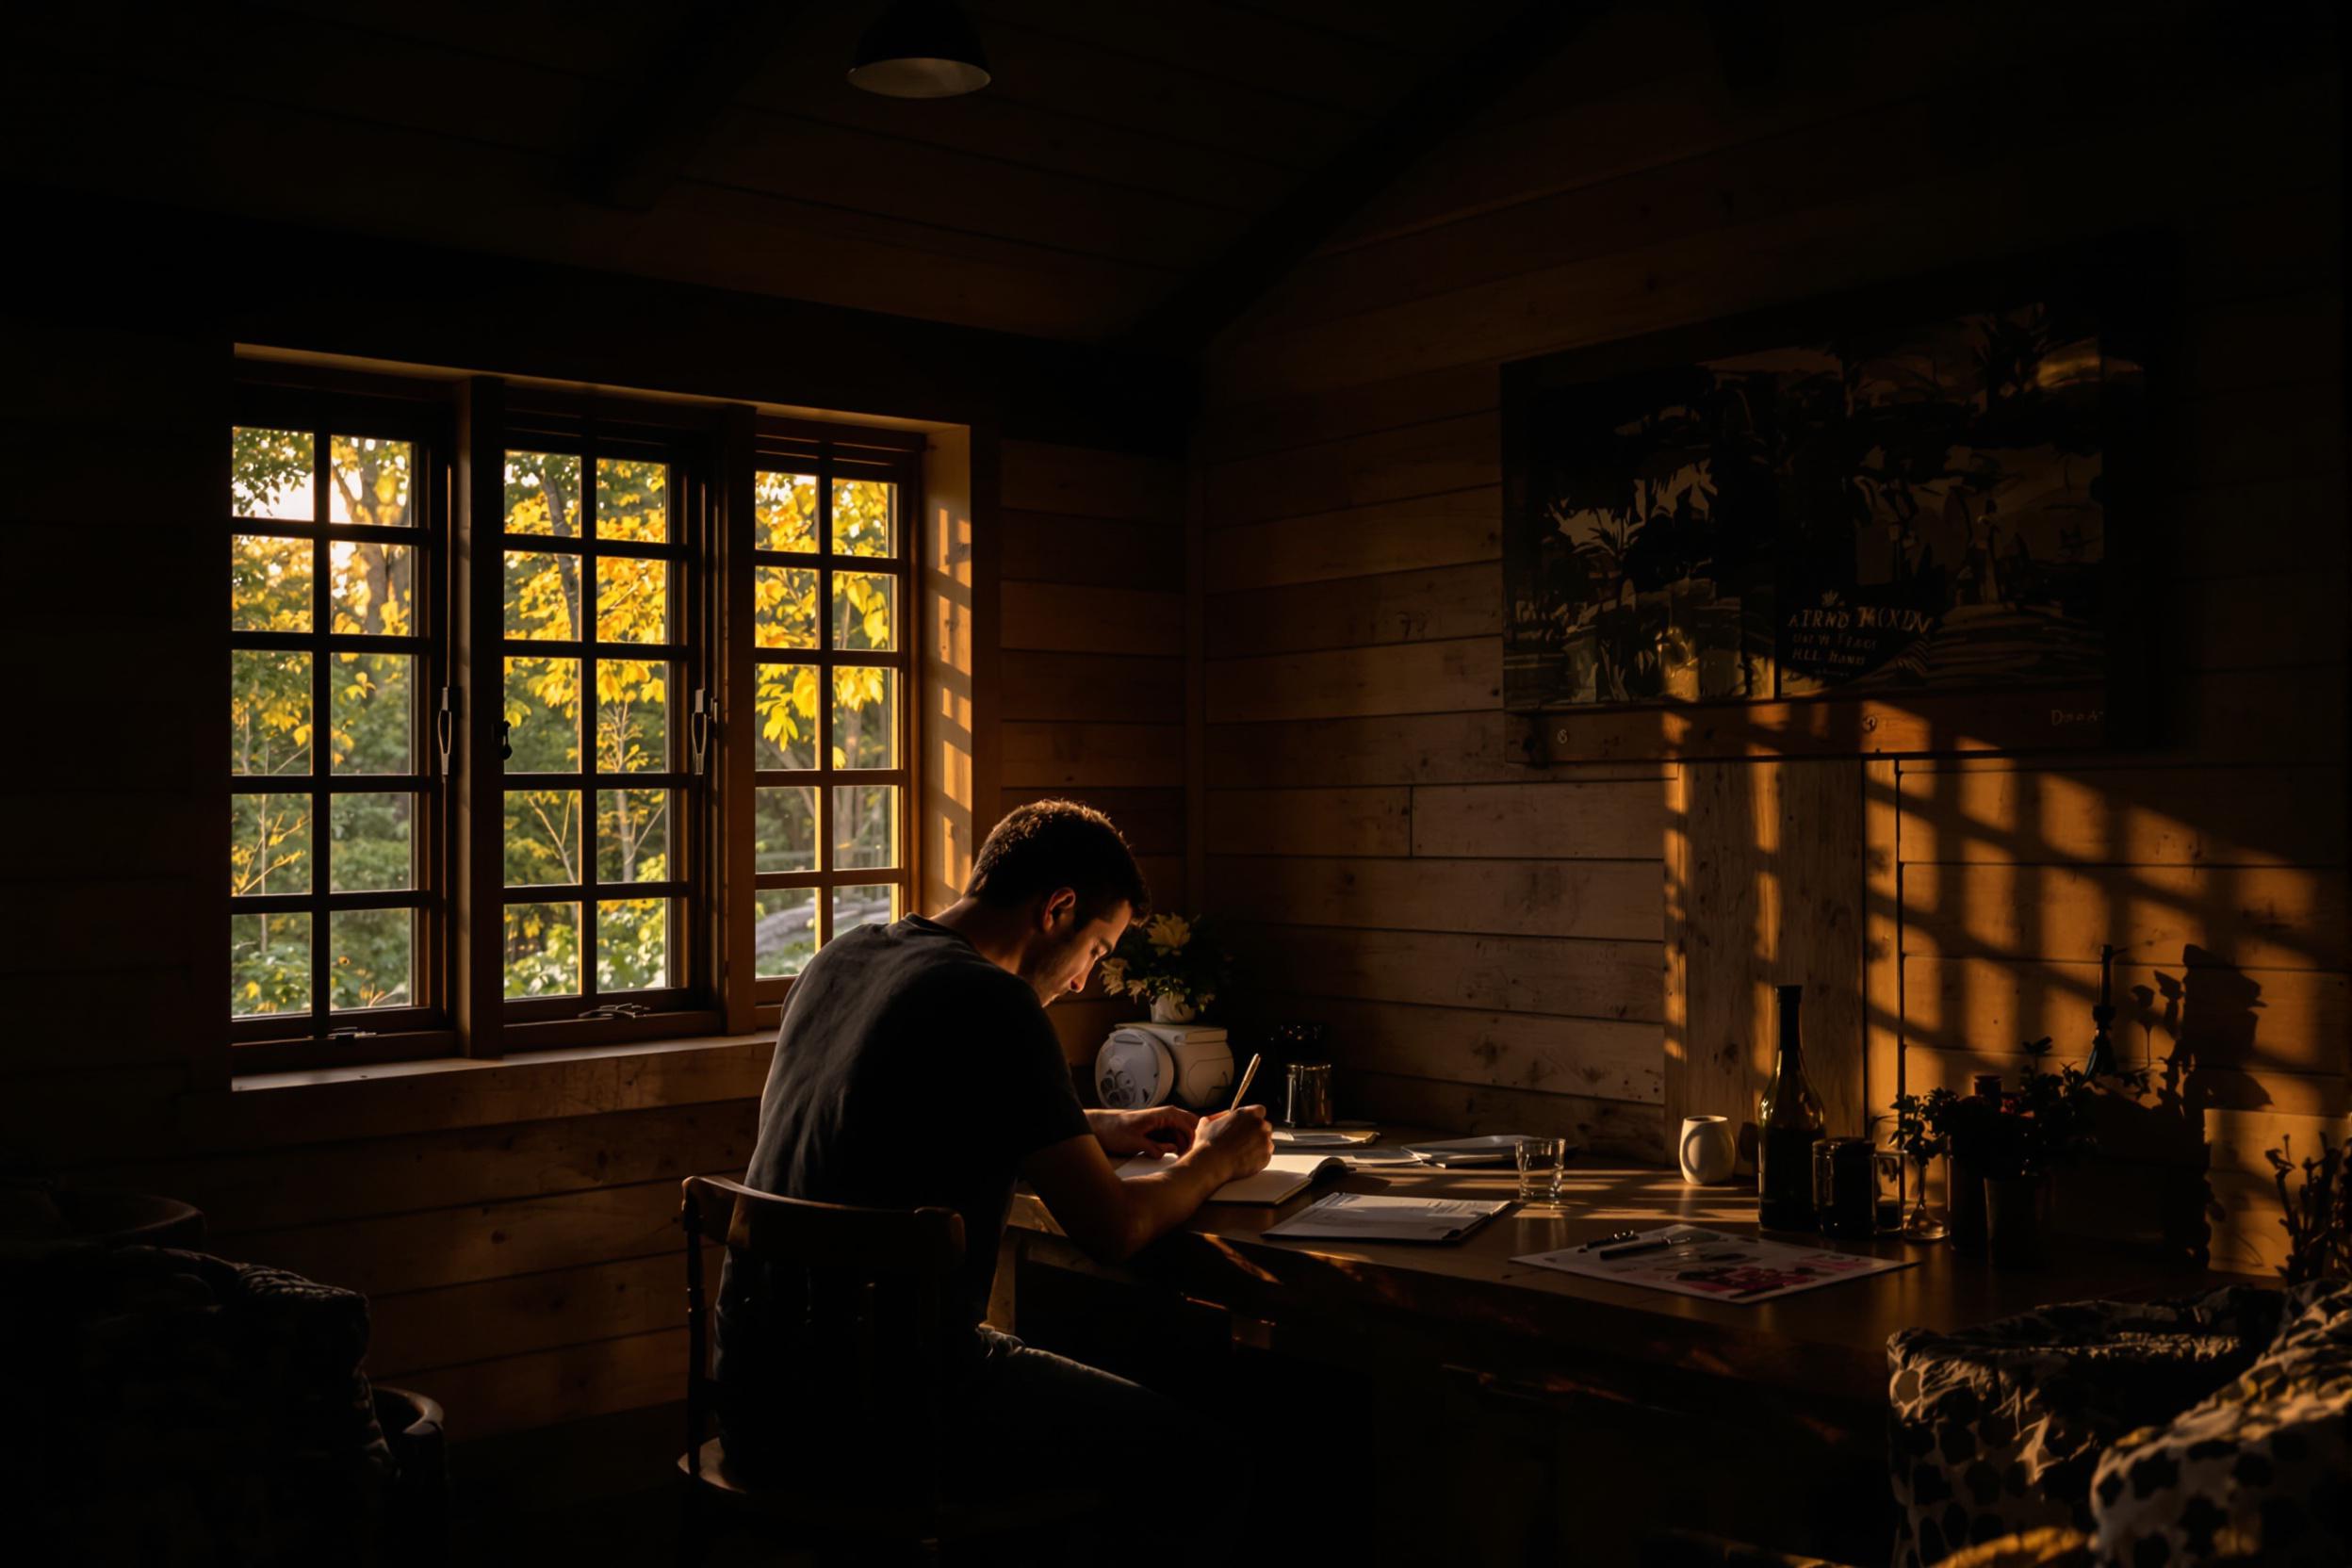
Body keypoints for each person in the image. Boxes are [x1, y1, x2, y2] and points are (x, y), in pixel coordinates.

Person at [714, 798, 1275, 1490]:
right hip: (892, 1411)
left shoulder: (842, 957)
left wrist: (1093, 1123)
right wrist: (1216, 1158)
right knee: (1213, 1464)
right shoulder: (995, 1002)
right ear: (1058, 908)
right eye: (1094, 951)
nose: (1078, 981)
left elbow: (893, 1106)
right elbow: (1114, 1229)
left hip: (755, 1397)